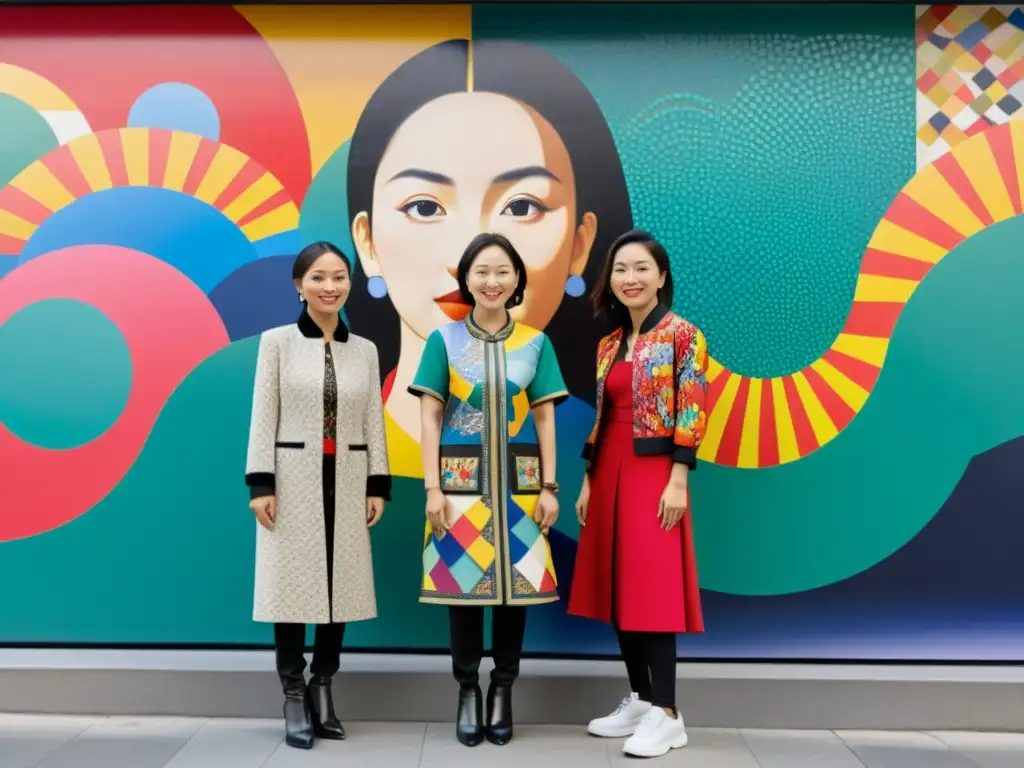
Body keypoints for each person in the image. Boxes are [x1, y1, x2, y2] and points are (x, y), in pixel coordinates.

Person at [409, 232, 568, 747]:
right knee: (463, 594)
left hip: (521, 493)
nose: (492, 281)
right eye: (481, 272)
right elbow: (430, 417)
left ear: (517, 279)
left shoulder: (535, 343)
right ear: (466, 279)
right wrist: (433, 488)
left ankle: (503, 689)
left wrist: (550, 485)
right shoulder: (445, 341)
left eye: (502, 271)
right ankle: (466, 691)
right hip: (459, 490)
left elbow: (544, 419)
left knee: (513, 597)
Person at [567, 230, 709, 759]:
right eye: (621, 269)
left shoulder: (682, 336)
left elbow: (692, 410)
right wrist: (587, 478)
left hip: (655, 471)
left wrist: (679, 477)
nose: (631, 278)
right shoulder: (608, 345)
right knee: (617, 586)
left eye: (642, 268)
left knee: (651, 589)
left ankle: (669, 714)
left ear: (661, 276)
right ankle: (642, 699)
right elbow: (602, 419)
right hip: (609, 470)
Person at [244, 241, 391, 749]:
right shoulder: (277, 342)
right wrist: (261, 483)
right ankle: (292, 692)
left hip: (348, 480)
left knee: (340, 588)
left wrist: (378, 482)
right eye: (319, 278)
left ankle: (322, 684)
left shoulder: (365, 349)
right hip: (291, 480)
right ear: (298, 285)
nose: (330, 287)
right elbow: (264, 413)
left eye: (339, 277)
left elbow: (373, 416)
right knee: (291, 589)